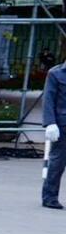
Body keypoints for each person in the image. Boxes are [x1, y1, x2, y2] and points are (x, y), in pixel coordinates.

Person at [40, 55, 66, 209]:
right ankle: (50, 197)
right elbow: (48, 99)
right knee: (57, 162)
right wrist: (50, 123)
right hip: (62, 125)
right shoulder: (56, 73)